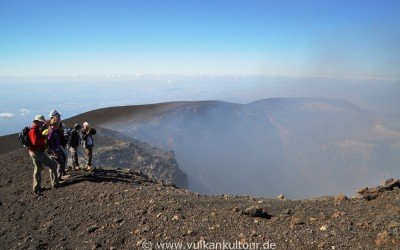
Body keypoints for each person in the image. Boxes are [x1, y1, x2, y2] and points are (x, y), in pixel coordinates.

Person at [28, 115, 59, 194]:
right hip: (37, 152)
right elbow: (35, 142)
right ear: (37, 121)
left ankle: (36, 188)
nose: (42, 123)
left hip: (34, 152)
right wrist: (44, 138)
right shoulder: (33, 130)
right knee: (53, 165)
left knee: (37, 169)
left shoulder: (35, 128)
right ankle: (55, 184)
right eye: (41, 122)